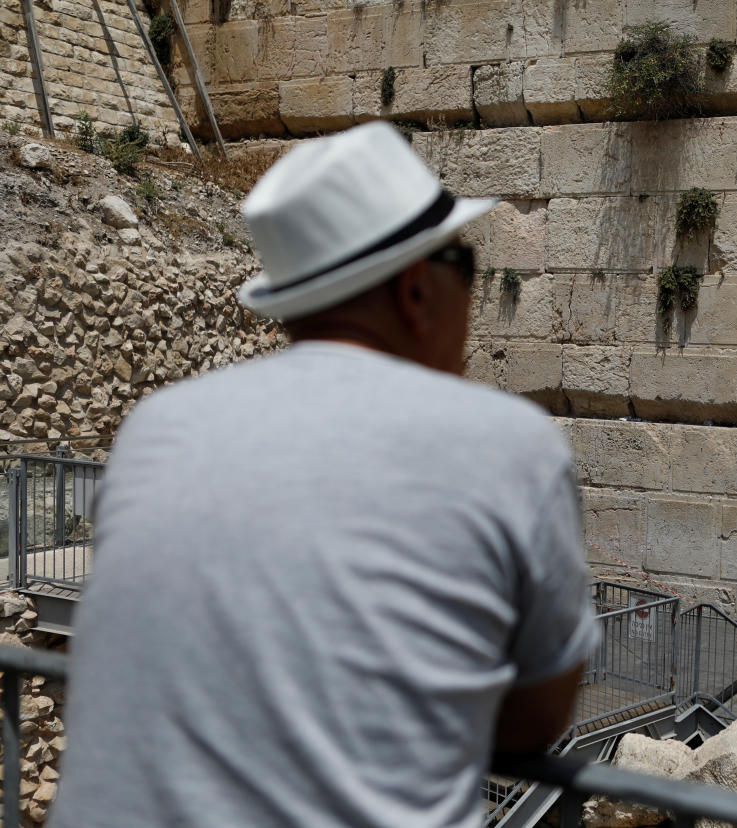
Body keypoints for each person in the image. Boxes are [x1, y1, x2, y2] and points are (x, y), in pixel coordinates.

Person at [51, 122, 599, 827]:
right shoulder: (508, 445)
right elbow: (536, 719)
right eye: (465, 266)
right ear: (413, 291)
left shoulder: (157, 426)